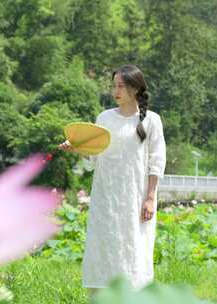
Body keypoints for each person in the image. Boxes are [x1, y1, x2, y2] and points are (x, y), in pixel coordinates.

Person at [59, 65, 166, 293]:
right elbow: (95, 154)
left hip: (135, 196)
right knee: (103, 243)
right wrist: (76, 147)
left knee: (134, 246)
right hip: (106, 197)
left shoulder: (151, 121)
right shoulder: (105, 117)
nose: (116, 91)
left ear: (135, 89)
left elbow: (156, 161)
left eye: (121, 86)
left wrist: (150, 198)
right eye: (114, 85)